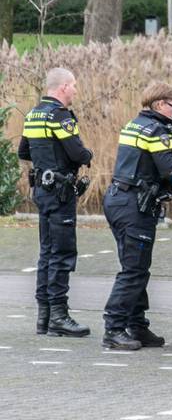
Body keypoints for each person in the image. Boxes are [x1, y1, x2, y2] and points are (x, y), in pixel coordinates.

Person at [102, 82, 172, 350]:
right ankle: (114, 329)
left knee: (135, 268)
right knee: (134, 270)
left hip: (117, 200)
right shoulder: (156, 131)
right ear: (160, 104)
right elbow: (170, 171)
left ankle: (137, 326)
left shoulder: (134, 124)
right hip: (134, 206)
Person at [18, 68, 93, 337]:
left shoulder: (33, 114)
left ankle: (44, 317)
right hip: (60, 192)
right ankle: (59, 317)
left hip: (42, 190)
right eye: (73, 85)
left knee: (46, 252)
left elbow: (23, 151)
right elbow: (78, 153)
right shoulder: (60, 116)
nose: (75, 90)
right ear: (62, 87)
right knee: (62, 253)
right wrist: (88, 154)